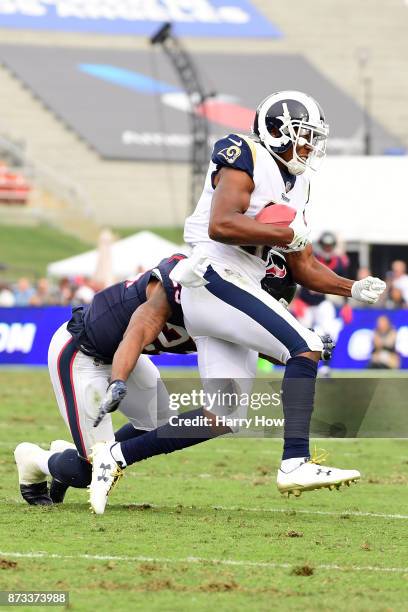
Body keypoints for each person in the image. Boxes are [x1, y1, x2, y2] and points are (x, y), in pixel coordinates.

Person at [87, 90, 386, 514]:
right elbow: (222, 224)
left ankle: (113, 457)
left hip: (236, 285)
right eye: (304, 136)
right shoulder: (246, 153)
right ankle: (295, 461)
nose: (309, 147)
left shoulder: (297, 184)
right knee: (307, 346)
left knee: (225, 415)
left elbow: (303, 267)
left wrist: (351, 287)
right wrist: (284, 234)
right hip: (212, 275)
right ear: (277, 131)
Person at [14, 251, 334, 506]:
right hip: (85, 353)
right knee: (89, 472)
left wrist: (300, 345)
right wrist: (119, 379)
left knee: (157, 428)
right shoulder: (185, 283)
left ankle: (76, 452)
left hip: (127, 357)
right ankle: (34, 460)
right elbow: (137, 331)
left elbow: (258, 341)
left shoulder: (223, 306)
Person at [296, 231, 350, 375]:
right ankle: (303, 366)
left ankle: (326, 365)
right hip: (305, 301)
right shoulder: (310, 257)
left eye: (329, 246)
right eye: (325, 246)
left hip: (321, 302)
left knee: (329, 332)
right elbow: (295, 276)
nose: (327, 249)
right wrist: (296, 300)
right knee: (304, 334)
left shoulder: (339, 262)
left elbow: (342, 282)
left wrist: (346, 304)